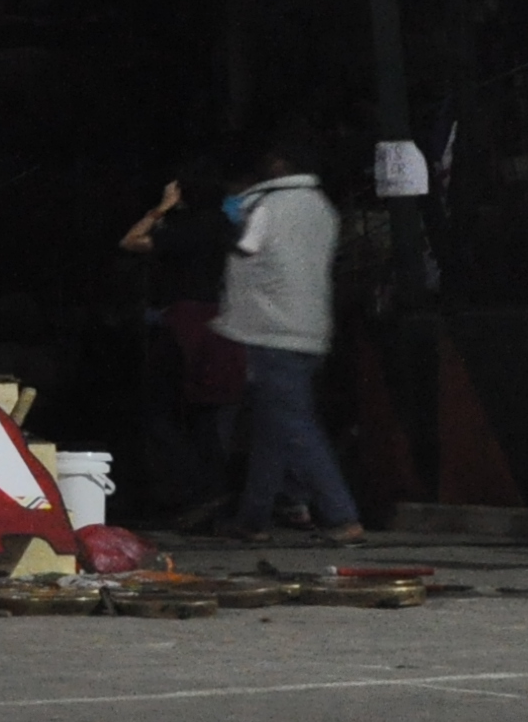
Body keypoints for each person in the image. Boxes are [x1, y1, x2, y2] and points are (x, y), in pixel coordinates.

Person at [216, 128, 361, 545]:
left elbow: (247, 248)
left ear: (280, 164)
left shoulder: (268, 205)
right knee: (272, 426)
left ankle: (340, 515)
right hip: (311, 326)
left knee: (294, 424)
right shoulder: (322, 207)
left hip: (272, 327)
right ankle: (253, 517)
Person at [121, 166, 243, 521]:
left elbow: (131, 241)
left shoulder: (186, 229)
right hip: (224, 324)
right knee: (207, 413)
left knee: (163, 412)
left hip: (185, 324)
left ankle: (193, 488)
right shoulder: (229, 229)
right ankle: (213, 490)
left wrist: (161, 208)